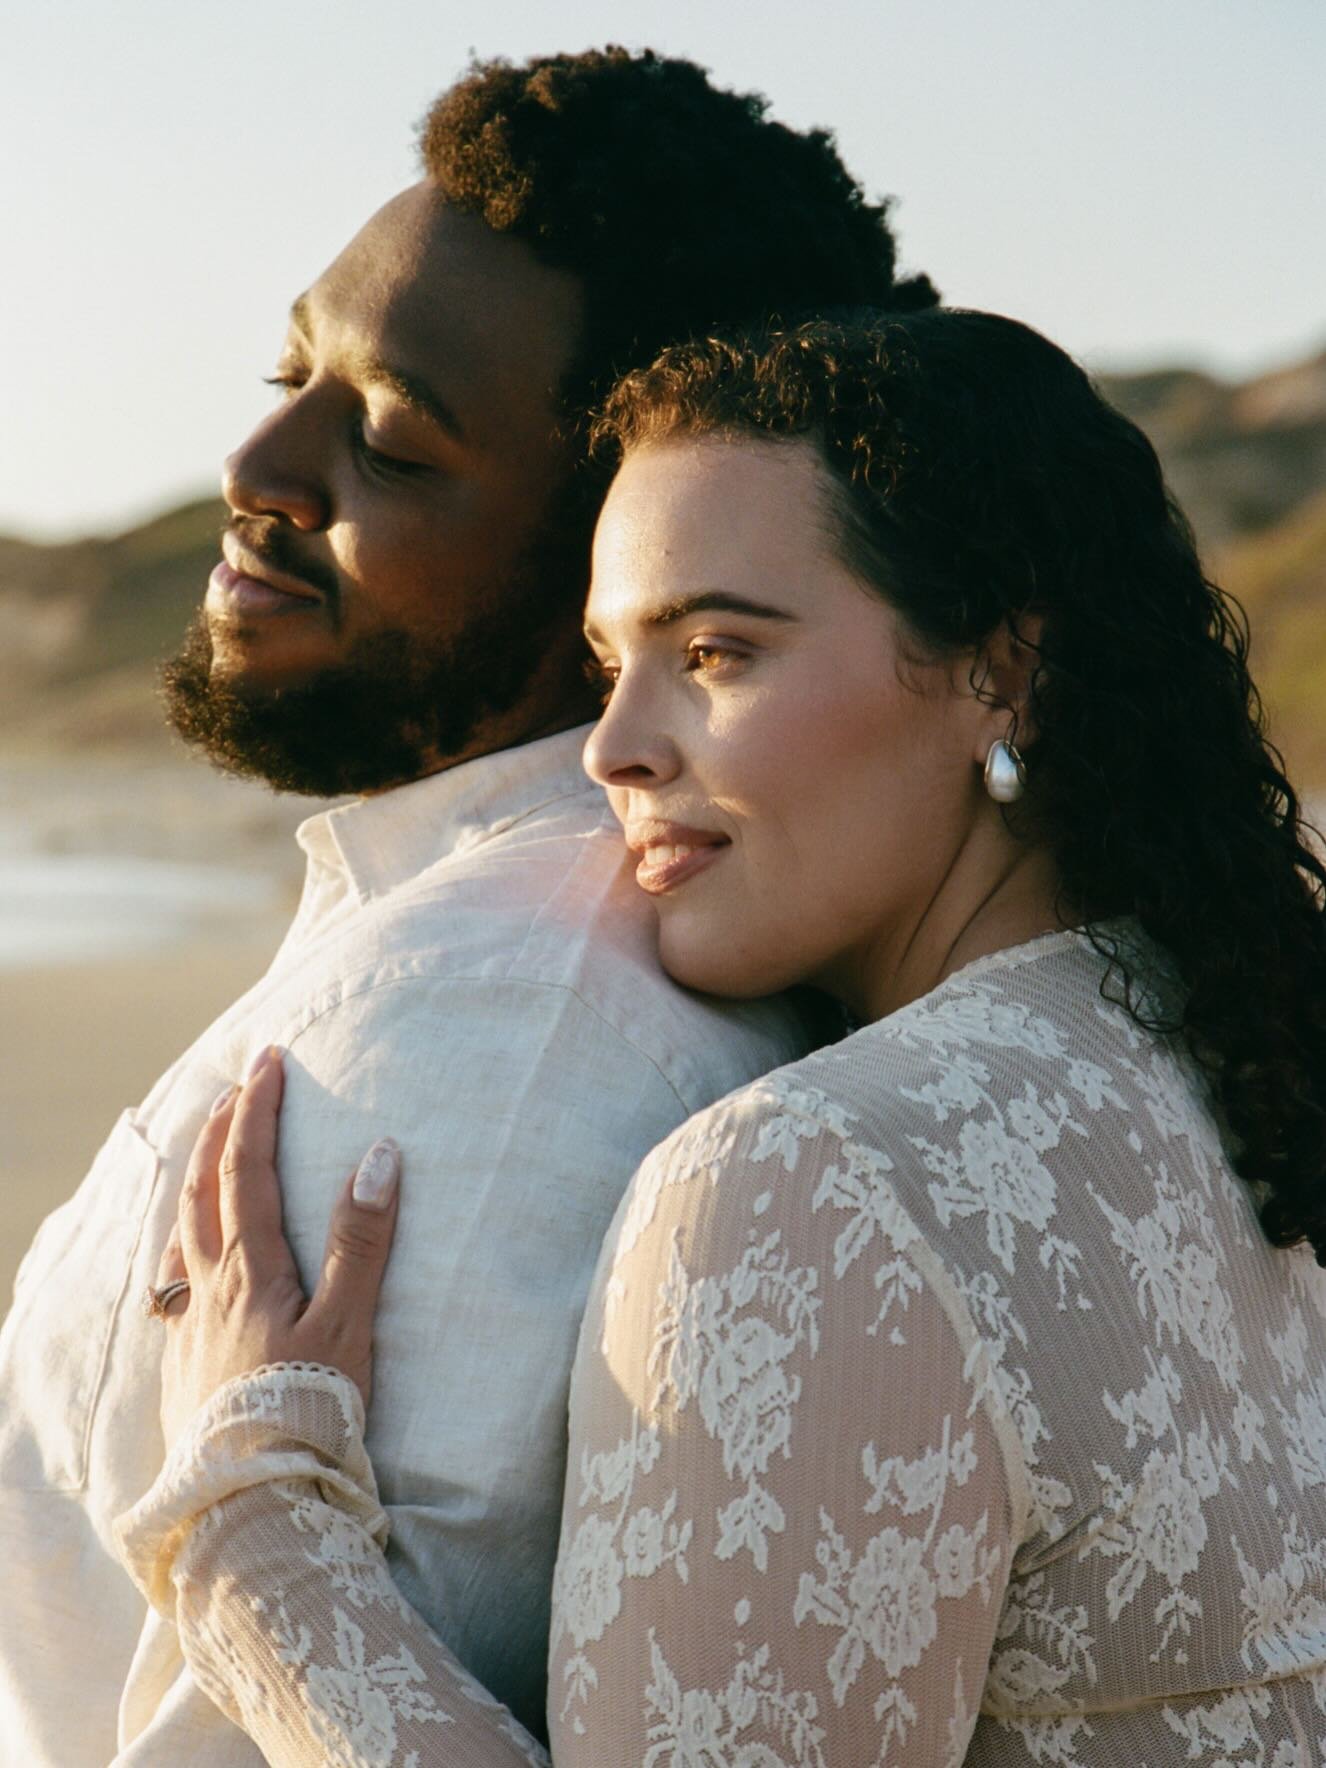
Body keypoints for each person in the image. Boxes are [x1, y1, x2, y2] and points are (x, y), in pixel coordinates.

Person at [118, 309, 1326, 1764]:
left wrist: (249, 1527)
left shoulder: (815, 1185)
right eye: (607, 659)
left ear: (999, 674)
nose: (612, 747)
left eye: (713, 650)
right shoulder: (1234, 1035)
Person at [0, 52, 938, 1766]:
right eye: (292, 368)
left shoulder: (496, 1041)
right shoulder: (454, 942)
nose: (261, 460)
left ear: (617, 554)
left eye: (394, 443)